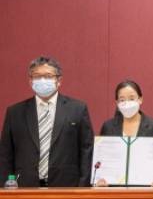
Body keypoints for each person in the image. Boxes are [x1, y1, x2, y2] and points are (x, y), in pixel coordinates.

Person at [0, 56, 94, 187]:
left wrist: (83, 187)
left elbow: (86, 150)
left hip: (66, 187)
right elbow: (5, 155)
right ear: (30, 81)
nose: (42, 80)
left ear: (59, 80)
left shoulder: (77, 109)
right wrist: (5, 187)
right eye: (37, 76)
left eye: (48, 76)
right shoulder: (15, 112)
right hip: (24, 187)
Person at [95, 80, 153, 187]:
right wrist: (101, 178)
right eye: (122, 99)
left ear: (140, 99)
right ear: (117, 103)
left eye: (131, 98)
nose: (127, 103)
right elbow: (102, 156)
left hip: (146, 188)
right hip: (114, 188)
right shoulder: (108, 126)